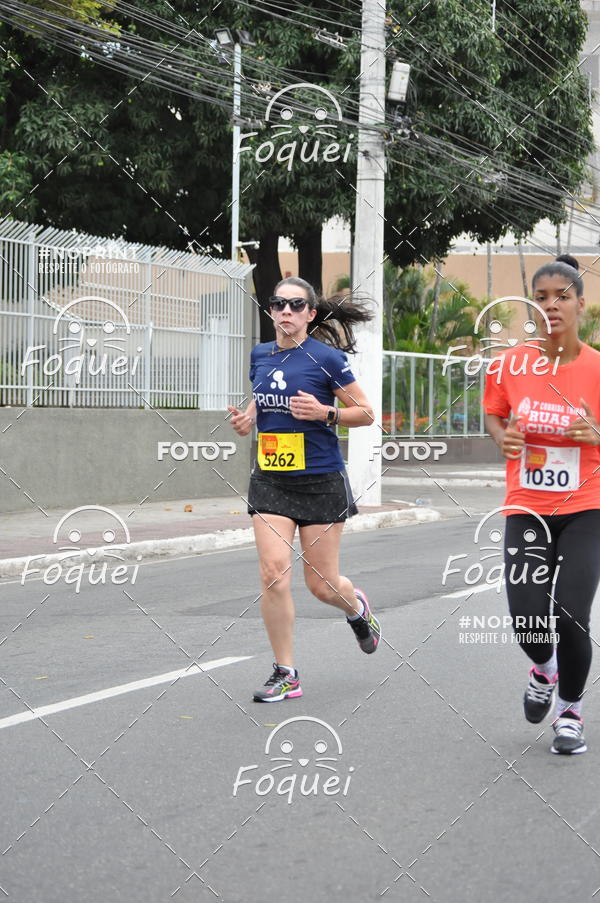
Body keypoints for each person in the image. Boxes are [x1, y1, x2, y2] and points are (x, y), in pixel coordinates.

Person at [228, 276, 381, 702]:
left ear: (311, 314)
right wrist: (247, 418)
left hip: (320, 482)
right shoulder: (260, 355)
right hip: (271, 479)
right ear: (272, 311)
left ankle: (357, 609)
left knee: (323, 585)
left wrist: (326, 412)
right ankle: (286, 672)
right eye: (280, 304)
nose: (287, 312)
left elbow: (366, 413)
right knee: (273, 572)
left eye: (297, 306)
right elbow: (264, 395)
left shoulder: (326, 359)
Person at [484, 254, 600, 754]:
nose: (552, 306)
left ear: (580, 302)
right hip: (527, 508)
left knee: (572, 614)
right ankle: (543, 668)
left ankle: (570, 710)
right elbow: (494, 413)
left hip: (587, 508)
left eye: (563, 297)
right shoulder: (511, 364)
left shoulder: (597, 367)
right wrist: (503, 438)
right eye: (543, 298)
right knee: (529, 619)